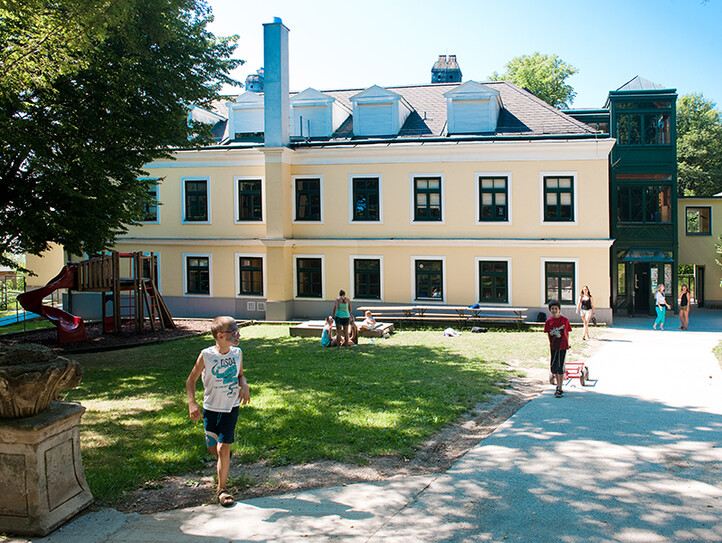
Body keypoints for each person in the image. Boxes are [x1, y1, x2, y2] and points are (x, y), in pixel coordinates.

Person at [186, 316, 250, 507]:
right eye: (234, 332)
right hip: (211, 408)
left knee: (224, 447)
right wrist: (192, 403)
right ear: (220, 335)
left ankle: (222, 489)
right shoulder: (206, 355)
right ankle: (223, 459)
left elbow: (240, 375)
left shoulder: (237, 353)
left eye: (238, 330)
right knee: (212, 447)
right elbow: (191, 380)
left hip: (231, 407)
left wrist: (244, 385)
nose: (238, 335)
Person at [544, 300, 572, 398]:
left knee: (561, 366)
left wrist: (567, 343)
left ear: (559, 309)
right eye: (552, 309)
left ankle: (560, 387)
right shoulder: (548, 321)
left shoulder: (564, 320)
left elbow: (567, 332)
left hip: (562, 346)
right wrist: (551, 343)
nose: (554, 310)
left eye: (556, 308)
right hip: (554, 346)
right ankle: (557, 384)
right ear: (550, 310)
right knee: (554, 366)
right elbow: (548, 334)